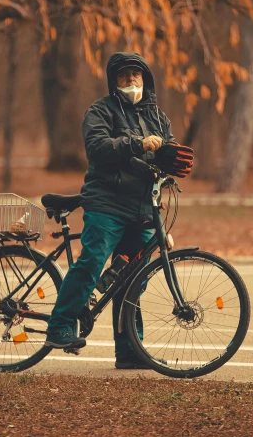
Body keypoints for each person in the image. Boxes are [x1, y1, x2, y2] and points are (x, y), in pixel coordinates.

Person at [45, 51, 185, 369]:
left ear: (145, 79)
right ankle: (60, 327)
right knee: (92, 260)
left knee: (134, 278)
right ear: (114, 82)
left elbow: (167, 153)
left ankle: (130, 351)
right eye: (123, 76)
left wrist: (174, 160)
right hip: (106, 203)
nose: (130, 80)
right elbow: (97, 147)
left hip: (143, 208)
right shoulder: (100, 111)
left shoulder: (159, 118)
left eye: (136, 74)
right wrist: (137, 143)